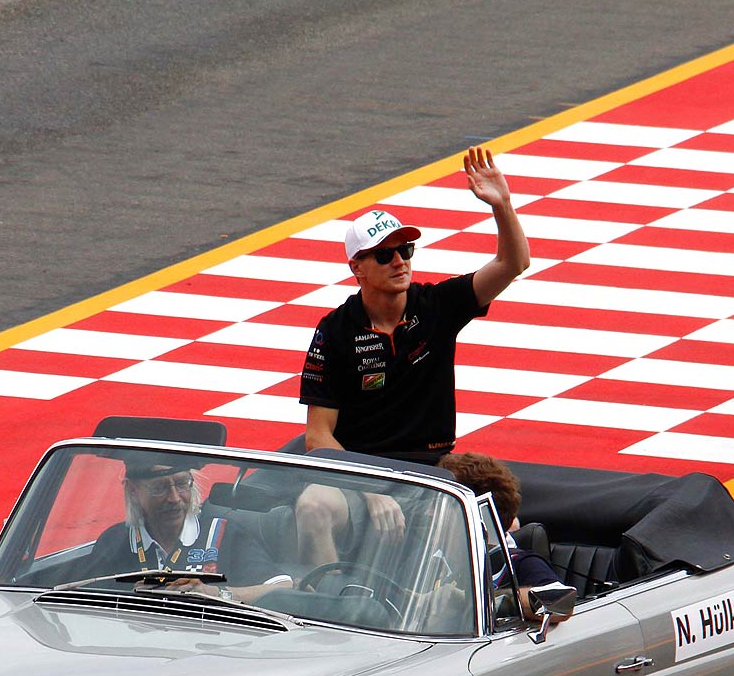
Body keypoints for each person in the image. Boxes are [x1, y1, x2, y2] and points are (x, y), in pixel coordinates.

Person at [299, 146, 531, 466]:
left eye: (405, 251)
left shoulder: (437, 305)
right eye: (384, 255)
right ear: (357, 268)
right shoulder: (335, 330)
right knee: (317, 505)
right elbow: (318, 436)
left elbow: (513, 263)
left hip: (432, 464)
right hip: (363, 467)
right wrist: (367, 489)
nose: (399, 262)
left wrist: (503, 204)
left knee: (504, 510)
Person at [79, 456, 291, 600]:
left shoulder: (223, 533)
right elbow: (84, 599)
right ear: (133, 491)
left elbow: (282, 586)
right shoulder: (116, 541)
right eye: (159, 488)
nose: (174, 498)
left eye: (181, 484)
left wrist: (213, 593)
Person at [437, 452, 575, 621]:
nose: (431, 512)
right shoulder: (428, 558)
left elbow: (561, 604)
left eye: (445, 504)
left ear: (479, 517)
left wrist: (472, 600)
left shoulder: (520, 563)